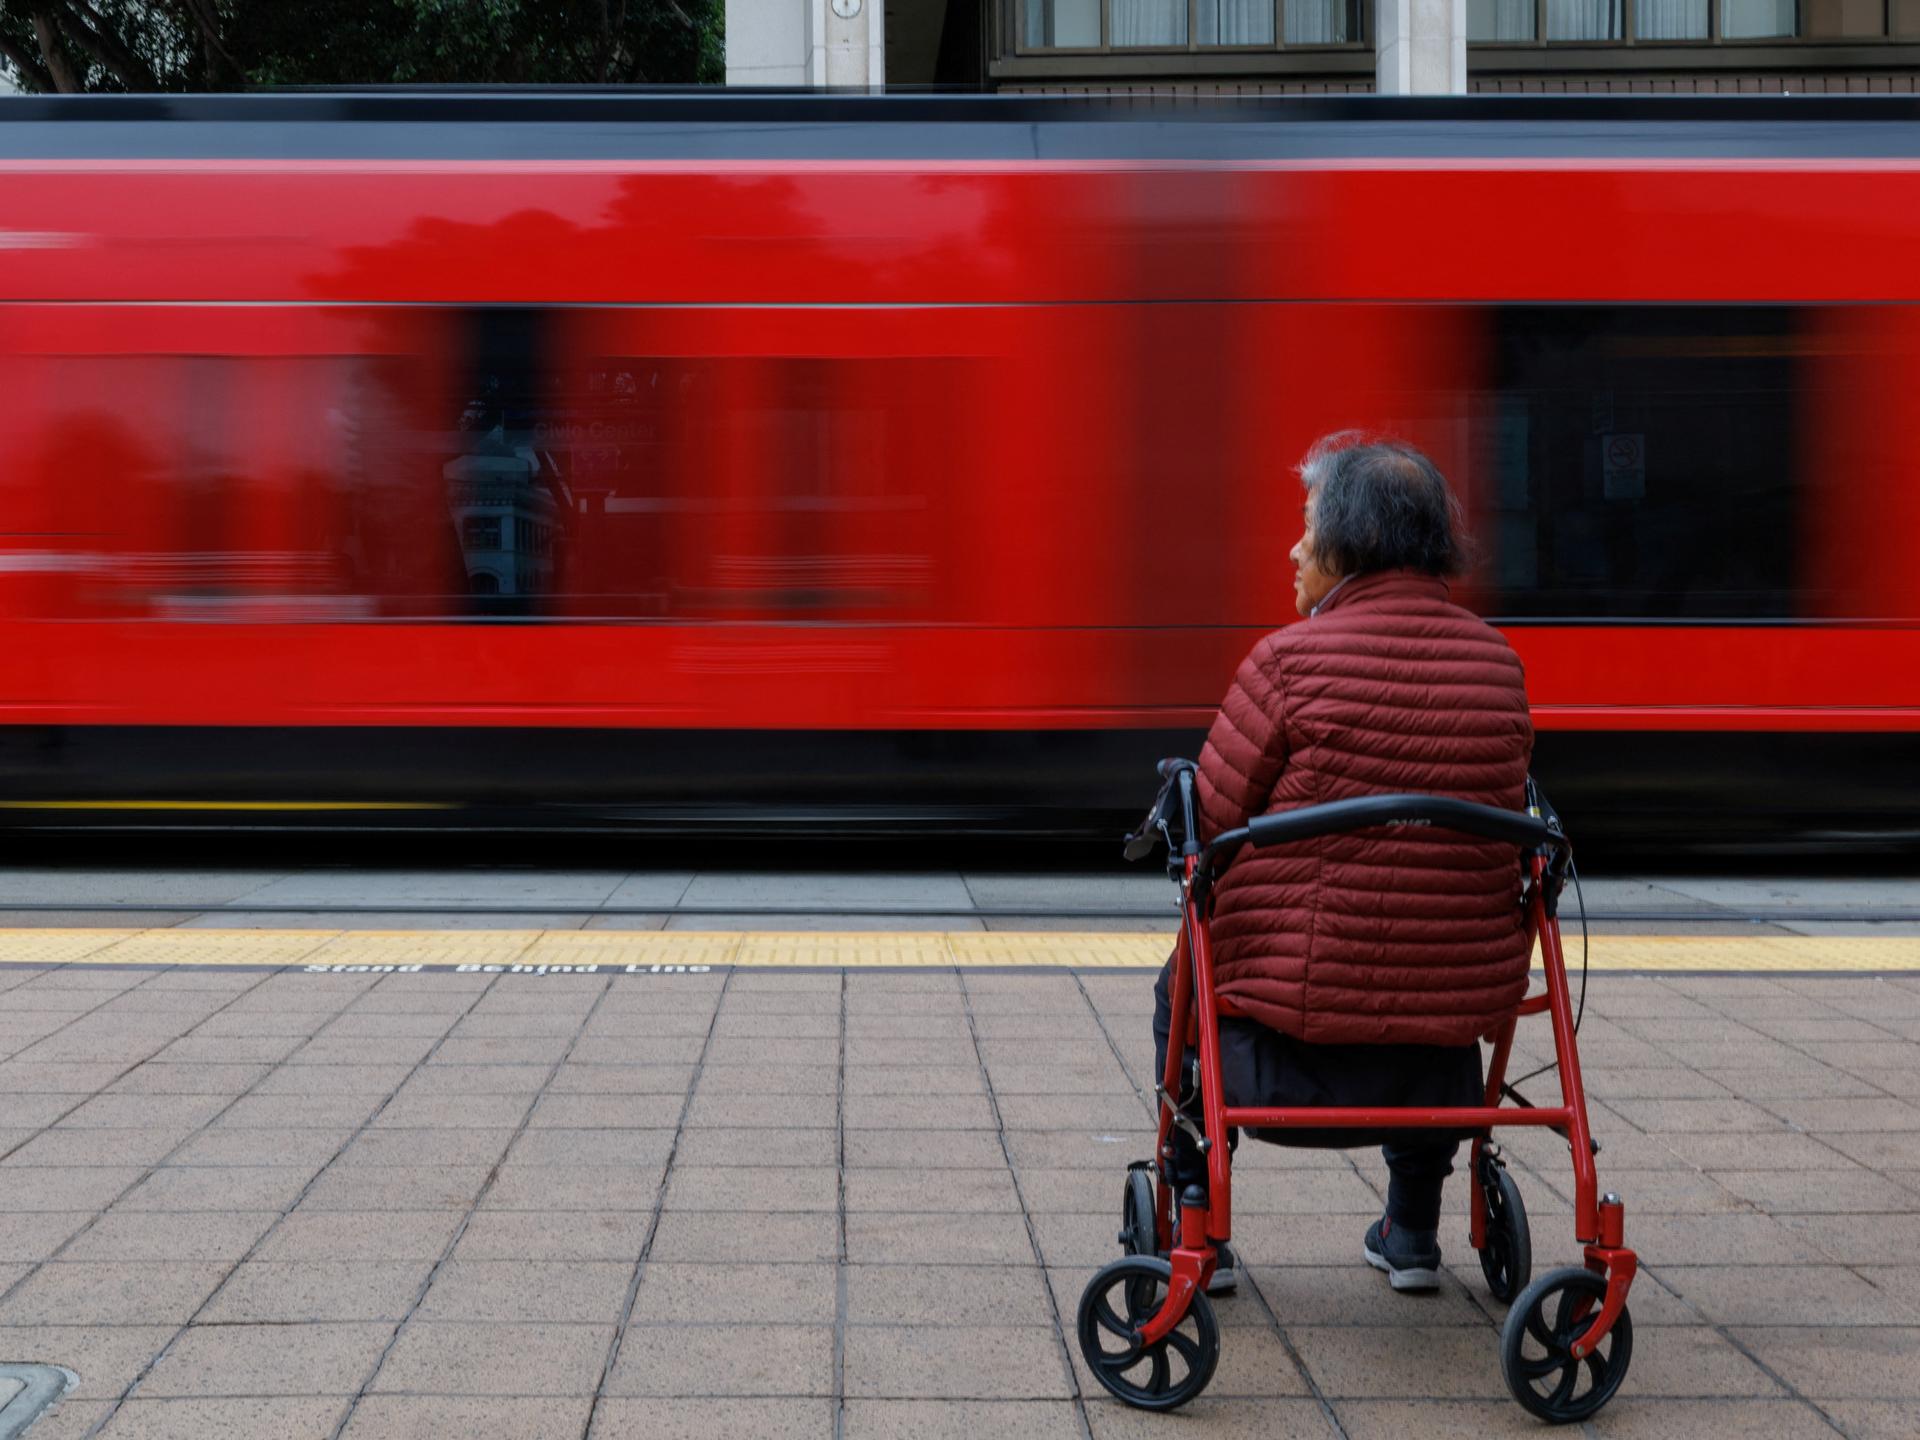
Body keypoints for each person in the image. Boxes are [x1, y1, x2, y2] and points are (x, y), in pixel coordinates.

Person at [1153, 432, 1534, 1297]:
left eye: (1306, 527)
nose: (1293, 549)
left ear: (1351, 544)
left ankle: (1196, 1223)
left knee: (1176, 988)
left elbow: (1208, 822)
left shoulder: (1286, 662)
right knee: (1421, 978)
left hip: (1282, 1040)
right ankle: (1412, 1233)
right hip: (1440, 1047)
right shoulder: (1498, 664)